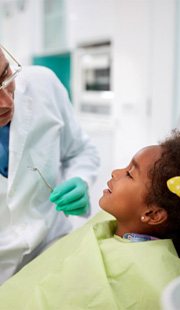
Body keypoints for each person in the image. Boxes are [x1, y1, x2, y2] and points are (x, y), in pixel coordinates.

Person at [0, 129, 180, 309]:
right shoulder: (108, 224)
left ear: (153, 214)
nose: (115, 172)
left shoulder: (158, 279)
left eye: (130, 174)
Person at [0, 44, 100, 284]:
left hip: (53, 242)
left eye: (4, 76)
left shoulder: (42, 84)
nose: (5, 102)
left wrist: (81, 179)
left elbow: (81, 151)